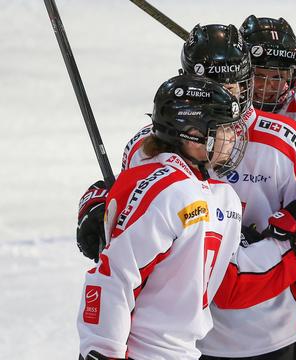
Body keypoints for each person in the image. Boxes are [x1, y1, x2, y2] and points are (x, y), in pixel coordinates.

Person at [77, 23, 296, 360]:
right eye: (210, 88)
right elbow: (123, 245)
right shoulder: (151, 150)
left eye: (232, 86)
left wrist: (295, 247)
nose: (224, 98)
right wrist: (98, 205)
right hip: (180, 340)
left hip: (269, 332)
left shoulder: (283, 144)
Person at [77, 74, 248, 359]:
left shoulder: (216, 194)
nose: (232, 138)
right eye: (223, 129)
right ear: (192, 133)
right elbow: (114, 276)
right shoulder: (171, 191)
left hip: (183, 352)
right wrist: (103, 350)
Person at [239, 15, 296, 360]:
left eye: (278, 76)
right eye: (259, 76)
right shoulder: (216, 112)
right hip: (240, 263)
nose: (269, 87)